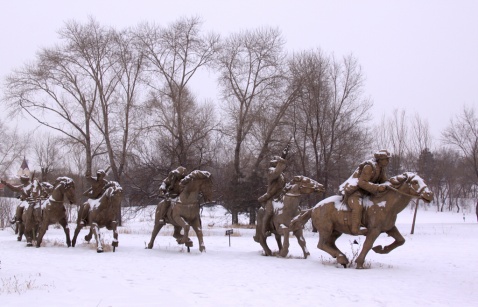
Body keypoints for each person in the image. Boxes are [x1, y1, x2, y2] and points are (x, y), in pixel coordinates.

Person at [339, 149, 391, 235]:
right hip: (356, 192)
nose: (388, 161)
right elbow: (361, 183)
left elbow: (384, 181)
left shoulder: (381, 169)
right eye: (387, 159)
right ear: (380, 160)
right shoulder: (369, 167)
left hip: (367, 193)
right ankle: (355, 229)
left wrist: (392, 184)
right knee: (358, 206)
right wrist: (377, 187)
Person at [256, 144, 290, 238]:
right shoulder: (271, 172)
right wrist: (282, 159)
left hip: (281, 197)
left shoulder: (282, 175)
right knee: (269, 212)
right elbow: (277, 172)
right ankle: (265, 229)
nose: (277, 164)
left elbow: (283, 185)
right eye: (277, 162)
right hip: (272, 197)